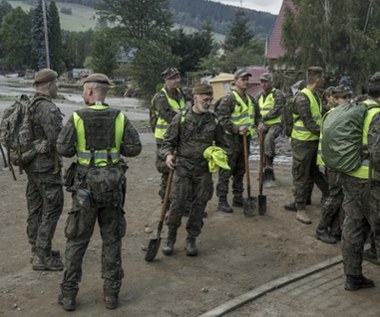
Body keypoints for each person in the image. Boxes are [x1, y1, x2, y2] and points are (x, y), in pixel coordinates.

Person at [56, 73, 142, 310]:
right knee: (112, 240)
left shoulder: (77, 117)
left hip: (85, 189)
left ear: (91, 91)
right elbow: (134, 149)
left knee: (77, 241)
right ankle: (111, 295)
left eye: (84, 90)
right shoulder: (120, 117)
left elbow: (63, 149)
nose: (84, 94)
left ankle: (69, 295)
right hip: (113, 189)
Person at [160, 83, 229, 256]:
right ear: (195, 98)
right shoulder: (181, 118)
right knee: (178, 203)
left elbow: (224, 144)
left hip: (203, 169)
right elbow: (167, 142)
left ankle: (191, 239)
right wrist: (168, 155)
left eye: (210, 99)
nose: (209, 102)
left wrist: (218, 154)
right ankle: (170, 237)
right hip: (182, 166)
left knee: (200, 205)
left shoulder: (213, 120)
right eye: (206, 99)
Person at [340, 72, 380, 291]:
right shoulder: (378, 115)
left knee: (354, 226)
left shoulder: (356, 108)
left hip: (352, 176)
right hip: (372, 182)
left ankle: (352, 277)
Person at [26, 68, 64, 271]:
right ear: (49, 84)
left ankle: (36, 250)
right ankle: (43, 256)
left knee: (35, 209)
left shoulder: (30, 104)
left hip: (32, 166)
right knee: (52, 209)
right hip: (47, 168)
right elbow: (57, 140)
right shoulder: (47, 108)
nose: (57, 87)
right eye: (56, 83)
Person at [216, 68, 264, 213]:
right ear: (235, 81)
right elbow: (222, 119)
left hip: (245, 139)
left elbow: (257, 116)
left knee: (241, 169)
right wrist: (237, 128)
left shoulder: (250, 100)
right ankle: (222, 200)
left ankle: (238, 197)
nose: (246, 82)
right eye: (243, 79)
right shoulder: (229, 99)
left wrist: (260, 123)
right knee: (226, 170)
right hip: (230, 140)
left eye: (247, 79)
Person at [285, 66, 329, 224]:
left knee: (313, 172)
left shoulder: (315, 95)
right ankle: (300, 209)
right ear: (317, 79)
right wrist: (326, 134)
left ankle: (328, 196)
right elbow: (310, 123)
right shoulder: (303, 97)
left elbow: (321, 114)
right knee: (300, 175)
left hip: (311, 141)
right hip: (302, 142)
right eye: (322, 77)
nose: (324, 80)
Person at [315, 85, 351, 244]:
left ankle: (336, 229)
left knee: (340, 196)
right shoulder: (333, 116)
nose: (347, 101)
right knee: (335, 196)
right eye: (344, 98)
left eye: (348, 97)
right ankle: (321, 228)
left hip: (338, 162)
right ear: (334, 99)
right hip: (334, 163)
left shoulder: (339, 114)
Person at [151, 67, 187, 202]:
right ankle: (166, 201)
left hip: (180, 136)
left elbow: (185, 112)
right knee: (167, 169)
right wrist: (185, 119)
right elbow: (169, 117)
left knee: (181, 168)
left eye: (178, 77)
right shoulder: (160, 97)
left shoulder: (180, 93)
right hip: (164, 138)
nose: (177, 80)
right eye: (173, 78)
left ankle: (179, 201)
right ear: (166, 80)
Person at [257, 72, 285, 181]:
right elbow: (256, 111)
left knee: (269, 139)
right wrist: (259, 122)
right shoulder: (259, 95)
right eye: (261, 82)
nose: (263, 84)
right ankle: (265, 171)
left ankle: (269, 165)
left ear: (271, 82)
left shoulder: (277, 94)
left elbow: (277, 109)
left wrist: (264, 118)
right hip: (263, 125)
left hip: (275, 124)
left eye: (265, 82)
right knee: (262, 146)